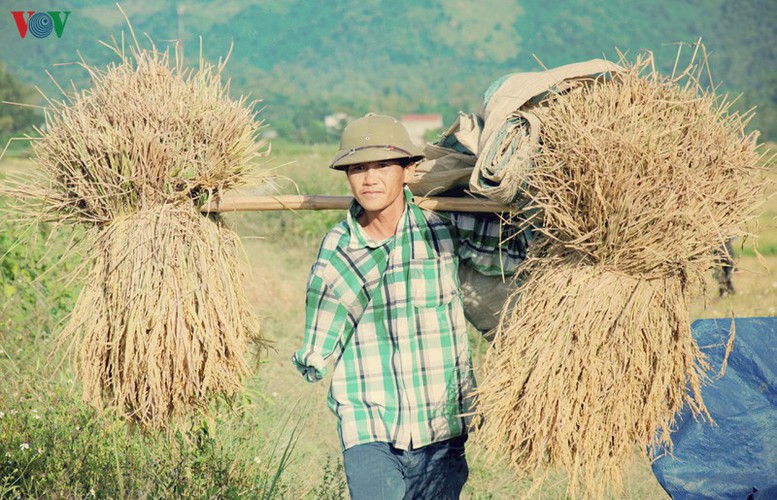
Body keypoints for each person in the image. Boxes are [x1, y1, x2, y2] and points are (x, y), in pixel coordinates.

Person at [291, 113, 531, 499]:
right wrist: (314, 357)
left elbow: (506, 253)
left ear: (409, 169)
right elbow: (325, 314)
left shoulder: (443, 225)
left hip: (441, 419)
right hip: (368, 417)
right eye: (357, 168)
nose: (369, 179)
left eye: (383, 166)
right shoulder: (341, 245)